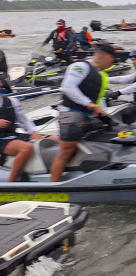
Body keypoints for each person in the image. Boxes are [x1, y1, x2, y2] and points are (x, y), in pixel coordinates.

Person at [49, 44, 118, 182]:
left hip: (88, 116)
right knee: (67, 151)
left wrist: (99, 110)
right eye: (112, 61)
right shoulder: (81, 66)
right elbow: (68, 87)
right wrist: (89, 104)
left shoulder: (98, 74)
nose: (111, 65)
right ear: (106, 57)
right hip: (71, 114)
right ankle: (54, 184)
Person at [0, 93, 43, 182]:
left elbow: (23, 120)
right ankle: (11, 183)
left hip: (11, 135)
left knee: (55, 140)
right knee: (26, 148)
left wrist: (34, 132)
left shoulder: (12, 101)